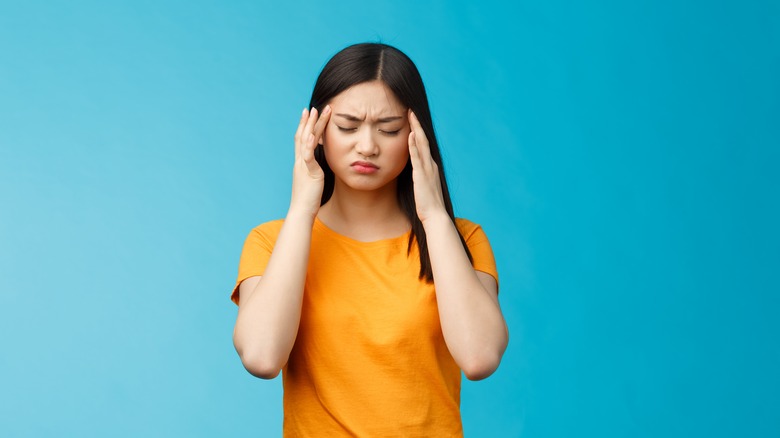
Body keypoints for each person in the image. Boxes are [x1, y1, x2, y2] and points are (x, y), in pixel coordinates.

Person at [231, 43, 508, 437]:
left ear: (416, 135)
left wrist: (434, 217)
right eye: (347, 126)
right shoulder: (272, 241)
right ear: (317, 131)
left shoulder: (462, 239)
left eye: (389, 129)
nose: (367, 146)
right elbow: (261, 357)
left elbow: (480, 357)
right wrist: (301, 210)